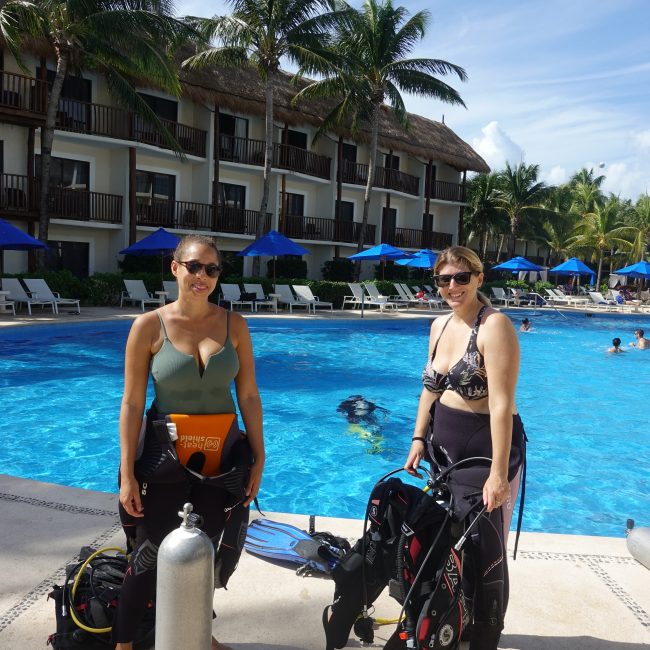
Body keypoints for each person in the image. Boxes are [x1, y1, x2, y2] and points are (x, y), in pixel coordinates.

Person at [114, 234, 265, 650]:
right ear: (175, 268)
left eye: (211, 269)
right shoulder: (149, 326)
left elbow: (249, 396)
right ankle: (123, 644)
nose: (202, 276)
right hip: (165, 457)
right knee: (148, 553)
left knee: (204, 550)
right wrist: (127, 474)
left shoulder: (235, 325)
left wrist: (259, 456)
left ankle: (197, 632)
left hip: (220, 458)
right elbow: (131, 403)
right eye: (194, 266)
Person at [404, 246, 525, 650]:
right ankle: (457, 618)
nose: (452, 286)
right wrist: (418, 438)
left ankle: (486, 634)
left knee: (483, 548)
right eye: (444, 279)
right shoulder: (438, 326)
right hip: (444, 451)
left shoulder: (494, 326)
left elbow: (502, 403)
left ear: (478, 278)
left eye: (461, 277)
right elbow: (429, 389)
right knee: (450, 540)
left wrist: (497, 474)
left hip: (486, 452)